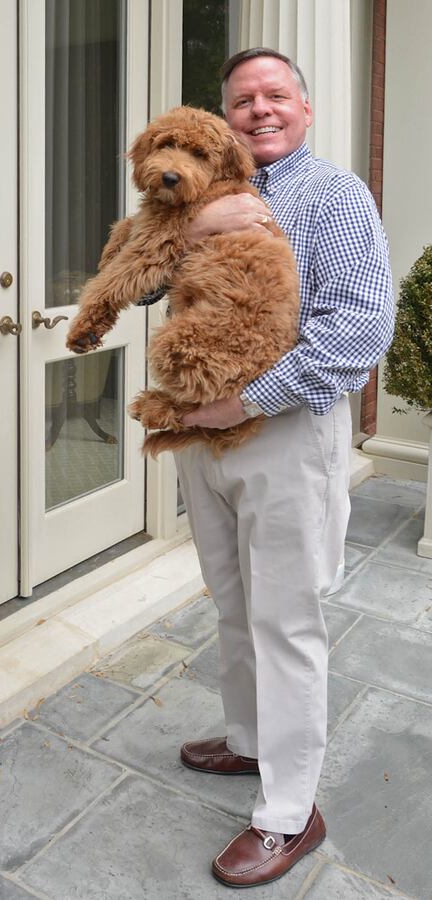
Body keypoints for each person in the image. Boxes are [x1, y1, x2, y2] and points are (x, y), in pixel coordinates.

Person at [175, 48, 394, 888]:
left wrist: (246, 401)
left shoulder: (334, 194)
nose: (259, 111)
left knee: (286, 621)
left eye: (275, 96)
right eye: (242, 101)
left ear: (304, 108)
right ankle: (250, 743)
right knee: (232, 602)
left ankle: (289, 813)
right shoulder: (202, 193)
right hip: (206, 436)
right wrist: (197, 227)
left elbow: (359, 329)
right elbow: (152, 281)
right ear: (224, 117)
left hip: (283, 431)